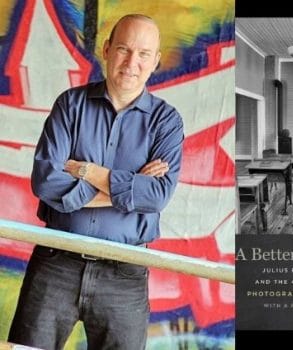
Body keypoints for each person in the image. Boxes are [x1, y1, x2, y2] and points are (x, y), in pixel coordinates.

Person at [8, 14, 184, 350]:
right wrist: (129, 187)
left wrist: (87, 171)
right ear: (106, 50)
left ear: (156, 61)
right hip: (55, 262)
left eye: (144, 54)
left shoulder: (167, 122)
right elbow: (46, 181)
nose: (132, 62)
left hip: (125, 274)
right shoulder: (70, 105)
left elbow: (157, 196)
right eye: (123, 49)